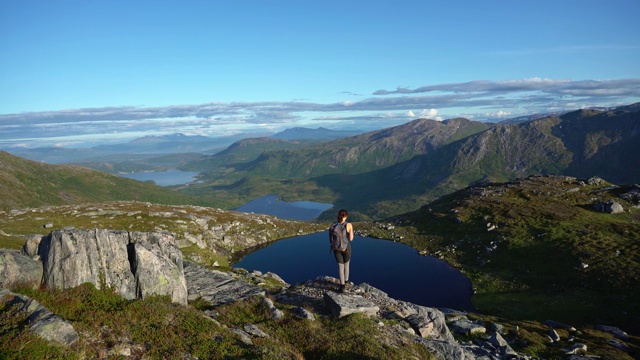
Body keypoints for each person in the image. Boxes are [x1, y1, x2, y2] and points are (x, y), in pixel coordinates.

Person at [329, 209, 354, 293]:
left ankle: (342, 286)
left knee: (340, 267)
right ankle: (346, 282)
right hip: (346, 248)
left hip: (336, 249)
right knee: (346, 265)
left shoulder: (333, 225)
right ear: (346, 216)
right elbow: (351, 238)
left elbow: (331, 239)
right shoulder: (349, 225)